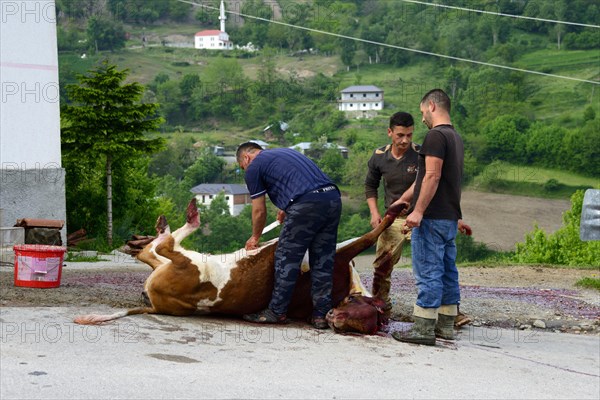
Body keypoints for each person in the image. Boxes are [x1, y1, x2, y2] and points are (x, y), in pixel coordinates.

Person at [236, 142, 342, 329]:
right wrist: (287, 207)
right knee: (323, 258)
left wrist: (255, 237)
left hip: (305, 204)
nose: (245, 170)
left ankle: (277, 311)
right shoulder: (284, 152)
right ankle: (320, 314)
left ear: (246, 158)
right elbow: (298, 181)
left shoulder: (253, 166)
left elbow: (259, 211)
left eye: (242, 167)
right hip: (332, 198)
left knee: (286, 257)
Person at [390, 89, 466, 346]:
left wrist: (418, 211)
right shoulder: (455, 137)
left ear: (432, 106)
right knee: (447, 272)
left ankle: (422, 329)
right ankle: (446, 326)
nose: (422, 118)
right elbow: (433, 178)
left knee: (428, 272)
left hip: (431, 218)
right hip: (448, 217)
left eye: (423, 112)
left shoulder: (435, 136)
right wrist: (404, 200)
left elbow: (432, 177)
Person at [365, 111, 419, 318]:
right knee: (382, 265)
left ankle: (442, 310)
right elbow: (370, 186)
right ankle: (380, 305)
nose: (405, 140)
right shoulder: (379, 156)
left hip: (419, 218)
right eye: (400, 135)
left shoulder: (421, 154)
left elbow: (426, 182)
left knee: (431, 264)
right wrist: (374, 213)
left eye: (409, 135)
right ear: (390, 132)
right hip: (392, 219)